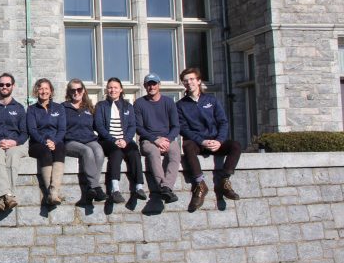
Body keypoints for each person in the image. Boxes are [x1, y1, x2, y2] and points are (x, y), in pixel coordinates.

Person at [177, 67, 241, 212]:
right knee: (187, 146)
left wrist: (219, 140)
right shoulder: (180, 105)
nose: (189, 83)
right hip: (199, 143)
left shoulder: (211, 100)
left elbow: (223, 122)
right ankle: (200, 184)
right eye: (185, 81)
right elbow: (184, 129)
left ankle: (224, 181)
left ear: (198, 81)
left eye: (192, 79)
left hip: (216, 141)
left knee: (235, 145)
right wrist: (203, 141)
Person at [94, 77, 146, 204]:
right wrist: (113, 139)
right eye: (110, 87)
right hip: (107, 140)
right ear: (107, 90)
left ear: (121, 89)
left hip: (125, 140)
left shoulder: (127, 106)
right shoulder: (101, 106)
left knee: (134, 152)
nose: (113, 90)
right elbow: (99, 126)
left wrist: (126, 140)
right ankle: (115, 189)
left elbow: (132, 126)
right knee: (116, 153)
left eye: (115, 87)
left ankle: (139, 187)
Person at [0, 73, 28, 211]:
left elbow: (25, 133)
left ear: (13, 86)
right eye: (2, 84)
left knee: (13, 156)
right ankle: (8, 195)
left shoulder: (19, 108)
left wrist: (14, 142)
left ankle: (2, 198)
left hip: (16, 145)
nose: (4, 87)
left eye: (7, 84)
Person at [134, 73, 180, 203]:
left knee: (175, 151)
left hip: (167, 138)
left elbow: (176, 126)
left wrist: (168, 139)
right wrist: (155, 140)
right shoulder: (139, 103)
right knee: (153, 153)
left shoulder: (169, 102)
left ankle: (166, 187)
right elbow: (139, 128)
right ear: (144, 86)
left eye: (154, 84)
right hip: (148, 140)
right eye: (149, 84)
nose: (151, 87)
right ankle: (163, 187)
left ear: (159, 85)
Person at [63, 78, 107, 203]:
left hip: (88, 139)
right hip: (71, 141)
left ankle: (91, 188)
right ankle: (95, 187)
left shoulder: (89, 108)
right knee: (87, 151)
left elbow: (97, 126)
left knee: (98, 151)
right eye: (73, 90)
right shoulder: (63, 108)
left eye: (79, 89)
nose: (76, 92)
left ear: (83, 91)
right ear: (69, 92)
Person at [27, 78, 67, 205]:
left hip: (55, 141)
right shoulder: (32, 109)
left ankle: (53, 192)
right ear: (37, 91)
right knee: (45, 152)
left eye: (46, 88)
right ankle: (51, 193)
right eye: (41, 88)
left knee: (61, 148)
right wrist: (45, 142)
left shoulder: (59, 108)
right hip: (37, 144)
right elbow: (32, 130)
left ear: (51, 91)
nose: (44, 91)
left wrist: (53, 141)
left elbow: (62, 129)